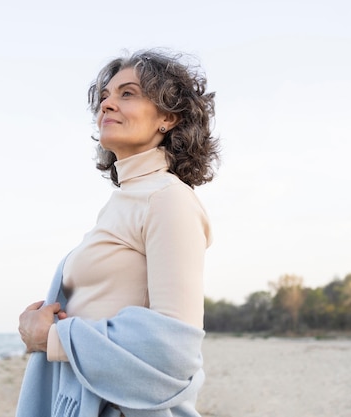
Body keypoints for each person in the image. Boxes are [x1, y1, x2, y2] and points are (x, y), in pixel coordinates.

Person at [15, 48, 220, 417]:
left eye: (127, 93)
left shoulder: (168, 199)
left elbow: (176, 349)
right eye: (105, 96)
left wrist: (52, 337)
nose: (107, 104)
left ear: (168, 118)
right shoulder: (123, 202)